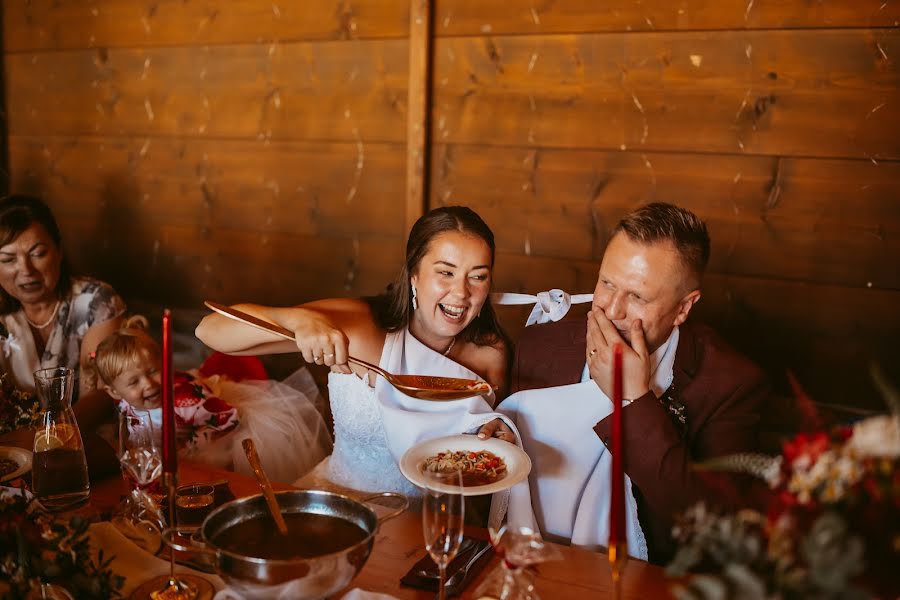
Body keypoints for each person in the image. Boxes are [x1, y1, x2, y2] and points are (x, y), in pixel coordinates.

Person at [502, 203, 770, 564]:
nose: (612, 310)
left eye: (638, 296)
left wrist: (634, 398)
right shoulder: (541, 344)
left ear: (683, 308)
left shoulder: (732, 384)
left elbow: (714, 531)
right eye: (607, 283)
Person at [195, 205, 516, 501]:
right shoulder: (361, 326)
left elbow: (493, 441)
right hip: (339, 502)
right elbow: (210, 331)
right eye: (445, 272)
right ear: (414, 275)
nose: (461, 292)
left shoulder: (491, 353)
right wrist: (296, 319)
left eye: (477, 276)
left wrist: (500, 434)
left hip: (434, 525)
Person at [91, 316, 331, 483]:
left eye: (153, 371)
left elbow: (229, 418)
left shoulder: (187, 400)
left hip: (209, 447)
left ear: (164, 364)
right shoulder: (124, 405)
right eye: (134, 382)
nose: (148, 384)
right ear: (114, 392)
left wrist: (197, 442)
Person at [0, 194, 126, 433]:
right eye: (8, 259)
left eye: (38, 254)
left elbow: (103, 393)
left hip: (84, 436)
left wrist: (48, 435)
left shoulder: (94, 302)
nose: (26, 270)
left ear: (58, 250)